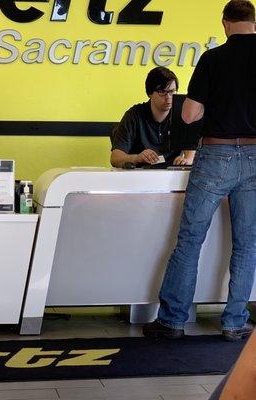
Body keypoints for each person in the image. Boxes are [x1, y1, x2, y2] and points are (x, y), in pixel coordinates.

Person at [143, 0, 256, 341]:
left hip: (216, 154)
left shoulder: (213, 58)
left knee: (191, 239)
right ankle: (235, 322)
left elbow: (189, 115)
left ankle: (173, 320)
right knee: (248, 244)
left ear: (225, 24)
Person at [110, 67, 195, 168]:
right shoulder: (134, 115)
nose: (168, 97)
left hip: (171, 176)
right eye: (162, 92)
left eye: (172, 92)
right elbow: (115, 158)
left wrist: (186, 160)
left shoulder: (181, 114)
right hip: (140, 176)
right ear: (150, 93)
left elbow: (190, 152)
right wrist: (137, 158)